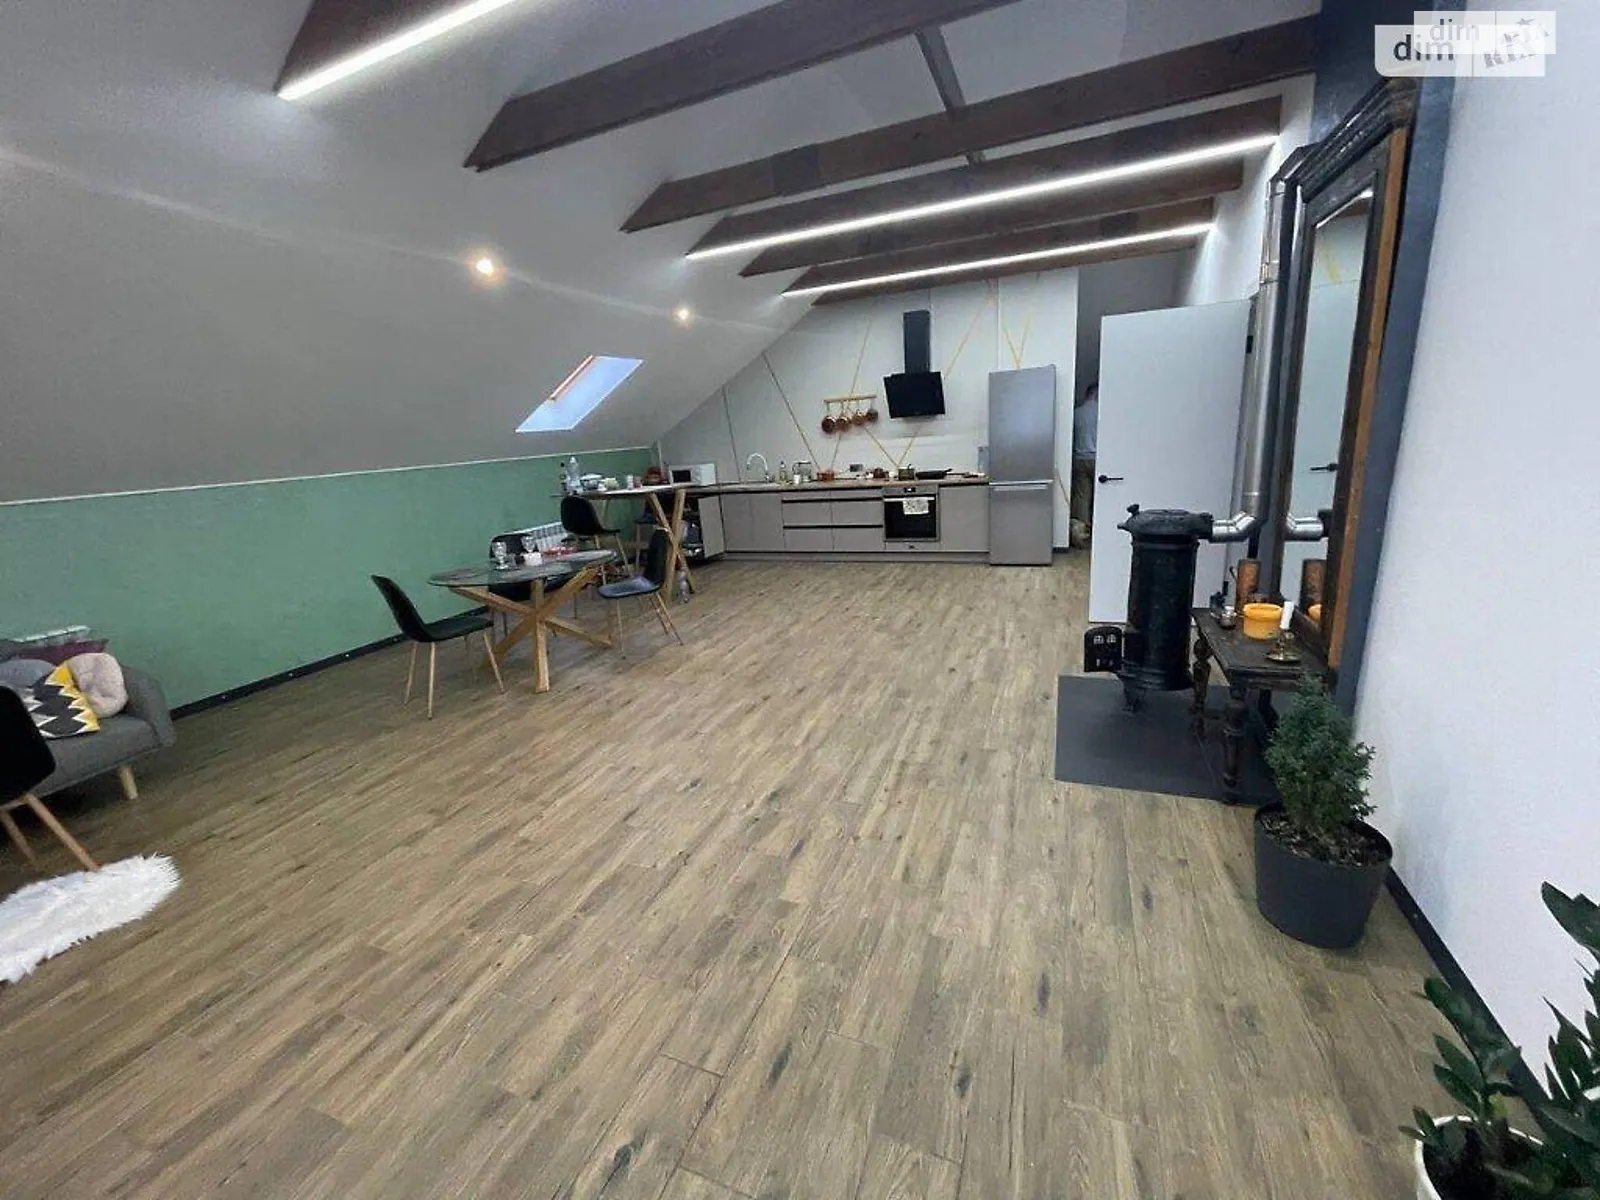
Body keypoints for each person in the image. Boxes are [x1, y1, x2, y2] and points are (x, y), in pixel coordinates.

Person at [1070, 381, 1099, 548]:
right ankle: (1100, 530)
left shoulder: (1077, 413)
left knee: (1082, 497)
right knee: (1102, 495)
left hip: (1079, 458)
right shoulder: (1101, 412)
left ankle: (1082, 533)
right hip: (1097, 458)